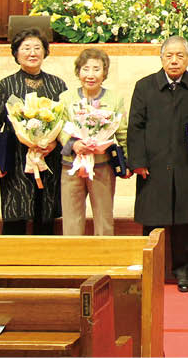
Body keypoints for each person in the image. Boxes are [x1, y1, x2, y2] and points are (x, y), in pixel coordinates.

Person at [129, 35, 188, 293]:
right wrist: (137, 161)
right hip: (153, 166)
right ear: (160, 58)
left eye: (180, 55)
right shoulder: (145, 87)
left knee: (184, 222)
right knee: (153, 221)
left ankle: (184, 273)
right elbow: (134, 127)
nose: (174, 60)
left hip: (184, 165)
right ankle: (152, 271)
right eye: (169, 55)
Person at [0, 28, 67, 235]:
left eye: (37, 48)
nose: (32, 53)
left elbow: (65, 120)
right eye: (26, 48)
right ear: (16, 53)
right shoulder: (6, 85)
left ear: (45, 52)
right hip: (16, 159)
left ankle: (45, 261)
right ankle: (11, 261)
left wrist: (53, 143)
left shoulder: (57, 84)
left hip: (48, 157)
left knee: (45, 213)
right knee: (16, 210)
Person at [58, 47, 128, 236]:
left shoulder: (115, 99)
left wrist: (127, 162)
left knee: (104, 218)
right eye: (86, 69)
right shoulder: (65, 99)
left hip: (102, 165)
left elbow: (121, 132)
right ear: (78, 71)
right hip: (71, 166)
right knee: (72, 220)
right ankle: (74, 264)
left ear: (104, 72)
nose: (91, 74)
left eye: (96, 69)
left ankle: (104, 260)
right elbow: (59, 129)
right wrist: (74, 144)